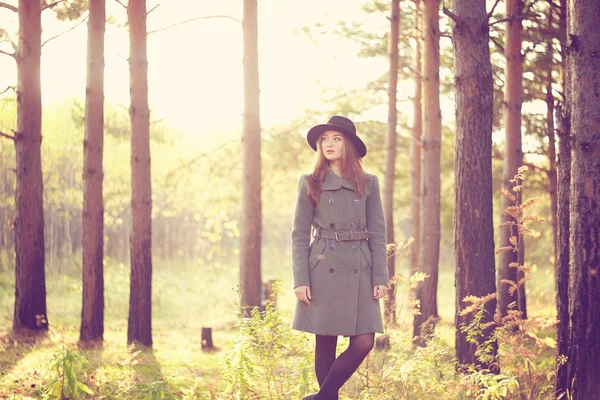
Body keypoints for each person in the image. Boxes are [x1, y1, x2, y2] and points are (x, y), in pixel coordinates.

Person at [291, 115, 389, 400]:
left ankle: (322, 396)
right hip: (323, 266)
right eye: (324, 139)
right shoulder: (310, 182)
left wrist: (380, 277)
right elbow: (298, 234)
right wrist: (301, 279)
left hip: (361, 264)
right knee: (325, 340)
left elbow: (378, 233)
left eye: (336, 139)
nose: (329, 144)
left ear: (349, 145)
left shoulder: (369, 183)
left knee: (364, 342)